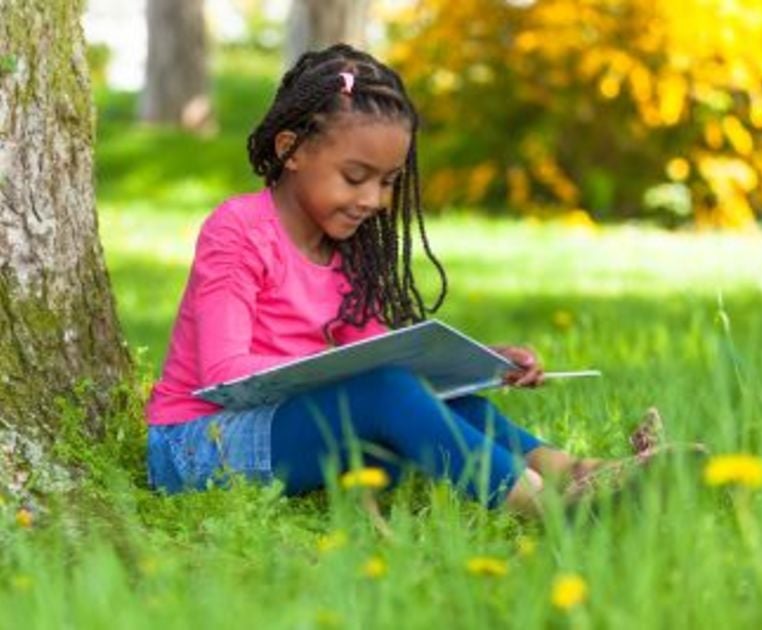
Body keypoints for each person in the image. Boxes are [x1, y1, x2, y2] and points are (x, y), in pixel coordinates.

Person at [144, 44, 668, 516]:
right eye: (355, 178)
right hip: (198, 444)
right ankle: (543, 508)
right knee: (387, 392)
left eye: (388, 183)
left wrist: (480, 362)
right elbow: (224, 370)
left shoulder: (351, 250)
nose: (373, 200)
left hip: (300, 429)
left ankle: (574, 471)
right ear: (292, 148)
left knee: (431, 398)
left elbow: (377, 360)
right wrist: (361, 381)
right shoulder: (238, 230)